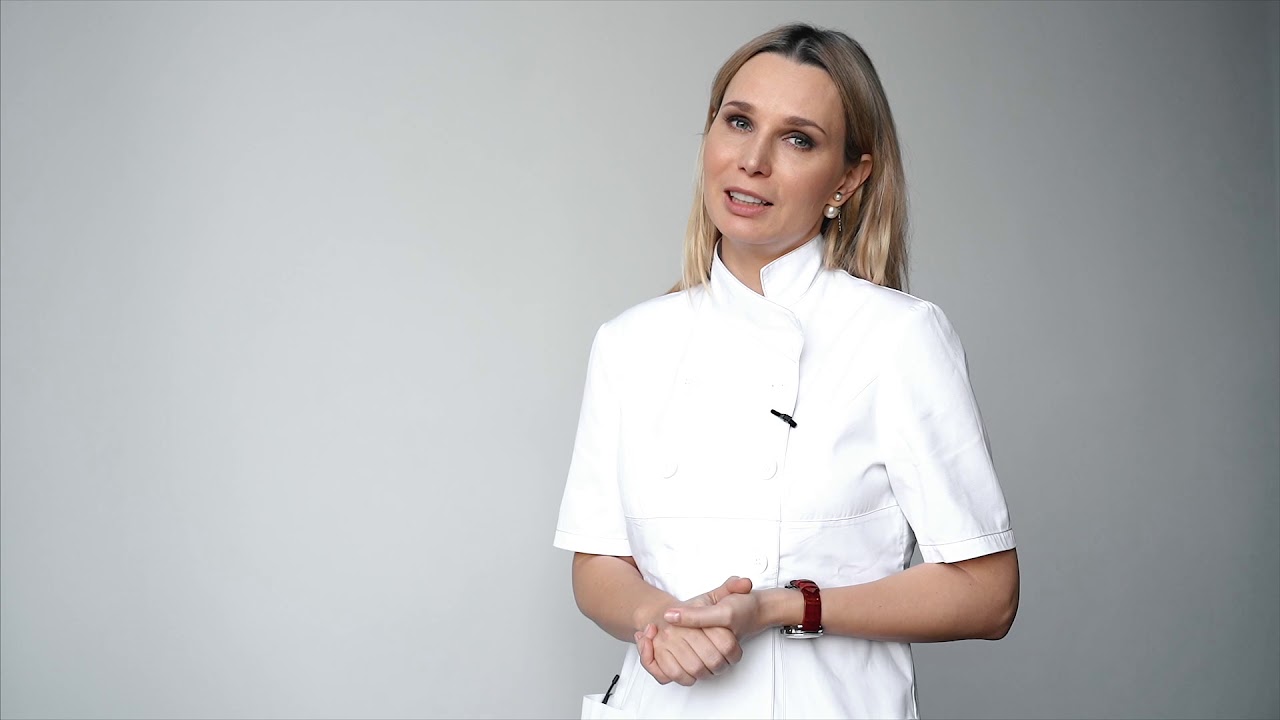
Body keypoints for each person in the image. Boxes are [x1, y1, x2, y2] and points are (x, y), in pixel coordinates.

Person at [553, 22, 1019, 720]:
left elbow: (989, 594)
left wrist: (781, 607)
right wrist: (663, 622)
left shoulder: (897, 337)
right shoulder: (629, 343)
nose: (753, 161)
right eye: (739, 122)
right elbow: (596, 564)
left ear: (848, 179)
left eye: (798, 139)